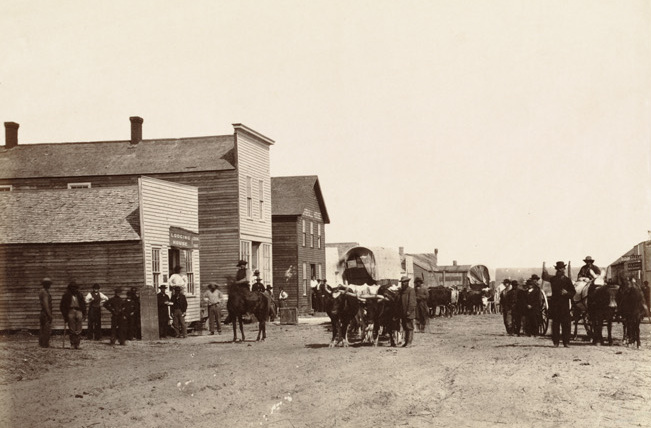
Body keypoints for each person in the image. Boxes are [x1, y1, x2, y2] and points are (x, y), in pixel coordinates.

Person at [542, 261, 576, 348]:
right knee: (555, 325)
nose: (562, 270)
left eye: (563, 268)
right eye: (560, 268)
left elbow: (573, 292)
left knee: (566, 325)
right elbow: (545, 277)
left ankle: (566, 342)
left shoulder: (567, 280)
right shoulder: (553, 279)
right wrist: (544, 268)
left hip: (565, 305)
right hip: (555, 305)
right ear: (557, 269)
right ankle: (556, 342)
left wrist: (567, 293)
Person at [60, 281, 87, 349]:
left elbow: (83, 305)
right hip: (70, 311)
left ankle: (77, 344)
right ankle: (72, 344)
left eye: (75, 288)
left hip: (79, 311)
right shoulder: (66, 295)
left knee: (79, 329)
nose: (74, 289)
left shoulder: (80, 295)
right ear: (70, 288)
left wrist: (84, 313)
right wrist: (65, 315)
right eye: (72, 288)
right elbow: (62, 306)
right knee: (72, 329)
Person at [399, 276, 416, 347]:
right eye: (402, 282)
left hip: (409, 312)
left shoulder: (411, 290)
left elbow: (412, 302)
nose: (403, 284)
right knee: (405, 327)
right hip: (403, 312)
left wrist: (409, 311)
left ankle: (409, 342)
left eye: (404, 282)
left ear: (408, 282)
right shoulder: (402, 291)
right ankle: (406, 342)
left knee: (409, 327)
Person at [38, 278, 53, 348]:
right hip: (45, 312)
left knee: (42, 327)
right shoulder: (44, 292)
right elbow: (46, 304)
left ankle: (41, 343)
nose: (50, 285)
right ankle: (44, 344)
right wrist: (49, 314)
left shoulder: (42, 291)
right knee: (46, 328)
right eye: (49, 284)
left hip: (43, 312)